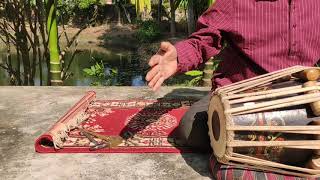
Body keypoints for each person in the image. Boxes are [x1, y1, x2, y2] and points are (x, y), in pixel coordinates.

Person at [145, 0, 320, 152]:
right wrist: (179, 57)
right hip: (242, 92)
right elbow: (203, 40)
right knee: (192, 129)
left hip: (302, 92)